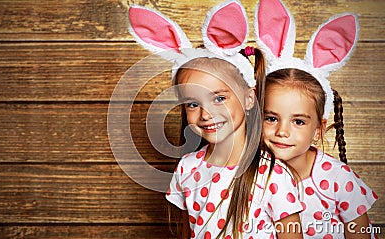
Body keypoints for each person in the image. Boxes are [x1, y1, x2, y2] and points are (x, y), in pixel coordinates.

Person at [128, 1, 304, 238]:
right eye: (192, 103)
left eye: (219, 98)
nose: (205, 114)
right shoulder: (188, 168)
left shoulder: (273, 175)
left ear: (249, 98)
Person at [255, 0, 378, 238]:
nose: (282, 131)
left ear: (319, 127)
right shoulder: (251, 171)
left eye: (298, 121)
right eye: (271, 118)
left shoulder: (338, 179)